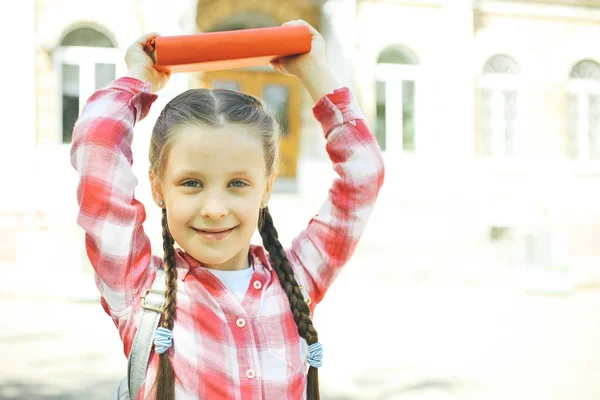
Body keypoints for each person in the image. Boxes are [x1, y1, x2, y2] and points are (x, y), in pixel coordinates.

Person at [70, 19, 385, 400]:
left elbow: (363, 174)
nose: (215, 209)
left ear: (266, 187)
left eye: (237, 183)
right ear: (157, 187)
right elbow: (97, 146)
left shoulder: (297, 280)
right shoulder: (137, 288)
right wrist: (139, 79)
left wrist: (313, 71)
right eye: (191, 183)